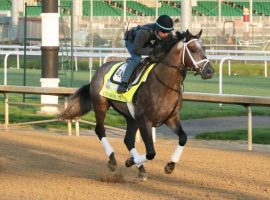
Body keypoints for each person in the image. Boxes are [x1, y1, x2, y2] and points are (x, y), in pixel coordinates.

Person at [117, 15, 175, 93]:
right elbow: (137, 49)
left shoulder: (167, 34)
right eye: (164, 31)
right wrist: (153, 51)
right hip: (132, 42)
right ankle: (123, 83)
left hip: (146, 42)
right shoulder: (144, 32)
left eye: (168, 31)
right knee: (136, 59)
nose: (166, 34)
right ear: (158, 29)